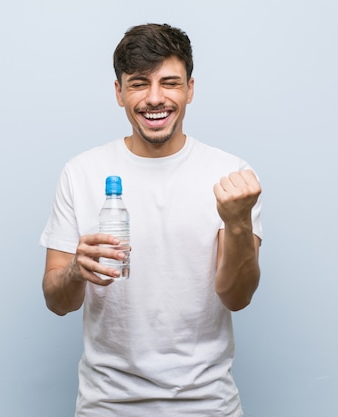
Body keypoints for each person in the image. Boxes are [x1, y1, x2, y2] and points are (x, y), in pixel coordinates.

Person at [40, 23, 263, 417]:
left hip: (207, 405)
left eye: (170, 83)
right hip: (106, 405)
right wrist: (76, 269)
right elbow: (57, 302)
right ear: (119, 92)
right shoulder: (81, 172)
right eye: (139, 83)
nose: (155, 99)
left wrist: (239, 223)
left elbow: (237, 297)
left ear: (190, 89)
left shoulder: (231, 176)